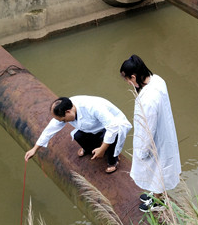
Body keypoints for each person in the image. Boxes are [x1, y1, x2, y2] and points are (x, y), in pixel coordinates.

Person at [119, 54, 181, 212]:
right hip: (164, 130)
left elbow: (148, 127)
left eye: (127, 79)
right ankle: (155, 194)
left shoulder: (148, 99)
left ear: (133, 76)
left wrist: (143, 149)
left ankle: (159, 202)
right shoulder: (157, 80)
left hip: (156, 139)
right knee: (159, 168)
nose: (127, 83)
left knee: (158, 168)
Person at [24, 96, 131, 174]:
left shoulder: (92, 107)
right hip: (92, 126)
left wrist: (102, 149)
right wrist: (35, 149)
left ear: (68, 112)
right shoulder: (66, 110)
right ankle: (90, 150)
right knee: (78, 136)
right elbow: (50, 129)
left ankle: (113, 161)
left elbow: (113, 127)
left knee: (110, 138)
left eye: (64, 120)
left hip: (112, 126)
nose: (64, 122)